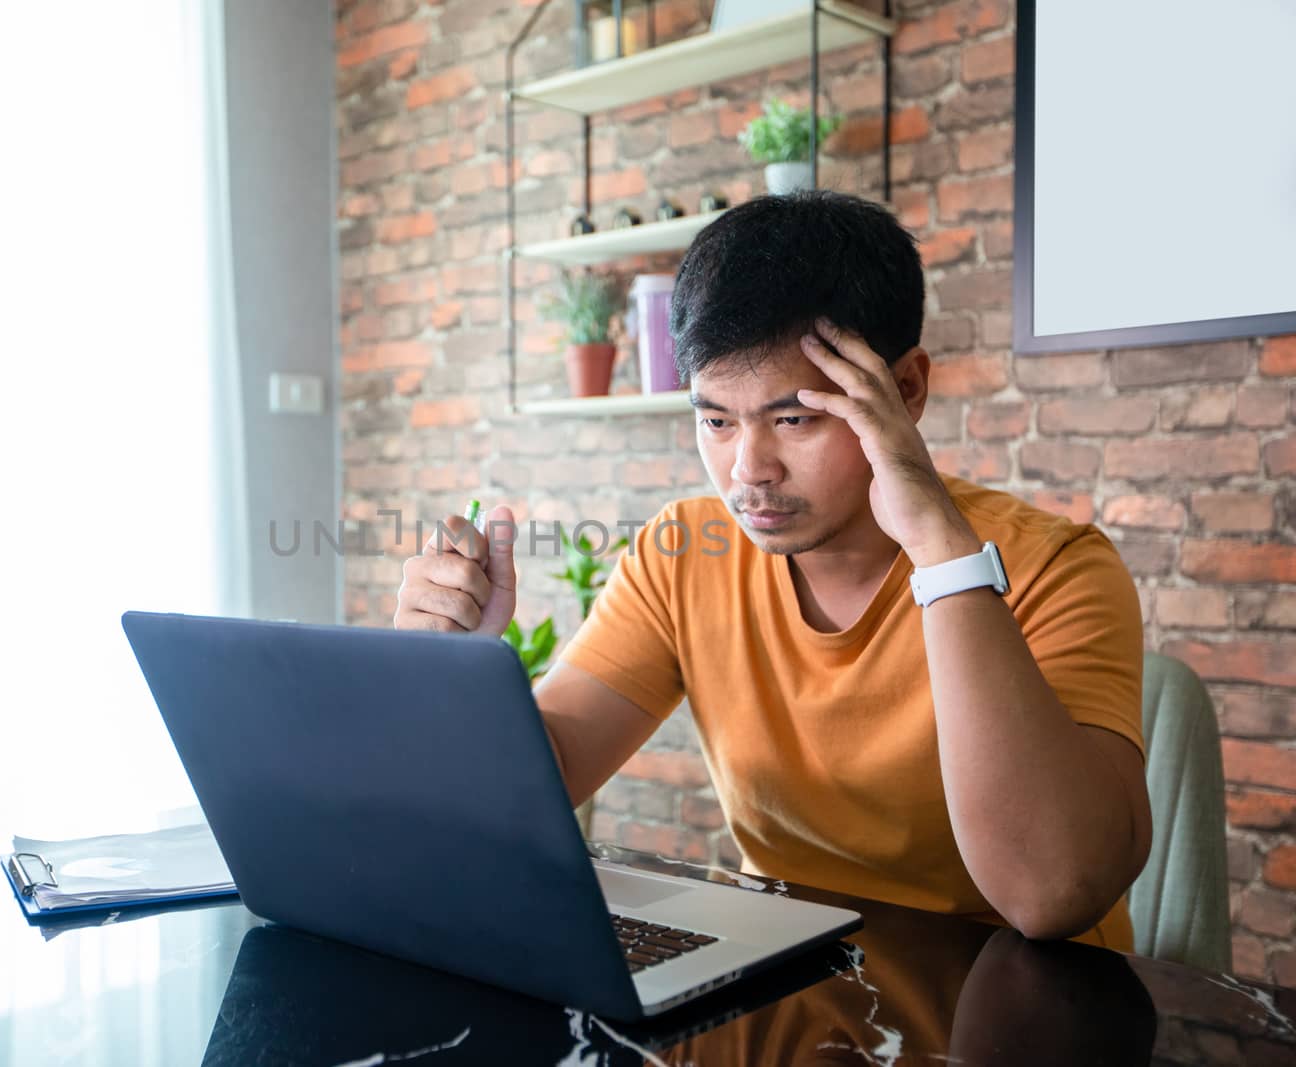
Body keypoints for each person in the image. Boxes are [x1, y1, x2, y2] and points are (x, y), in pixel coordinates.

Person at [393, 192, 1151, 947]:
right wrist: (452, 672)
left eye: (794, 418)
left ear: (907, 389)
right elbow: (540, 781)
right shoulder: (683, 553)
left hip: (1019, 1005)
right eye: (717, 421)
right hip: (792, 983)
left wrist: (944, 557)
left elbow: (1051, 893)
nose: (748, 470)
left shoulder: (1054, 565)